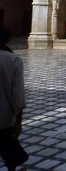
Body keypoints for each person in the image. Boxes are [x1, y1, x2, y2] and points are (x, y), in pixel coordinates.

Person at [0, 26, 28, 171]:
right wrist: (18, 121)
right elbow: (17, 96)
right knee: (10, 156)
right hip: (4, 120)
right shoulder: (13, 60)